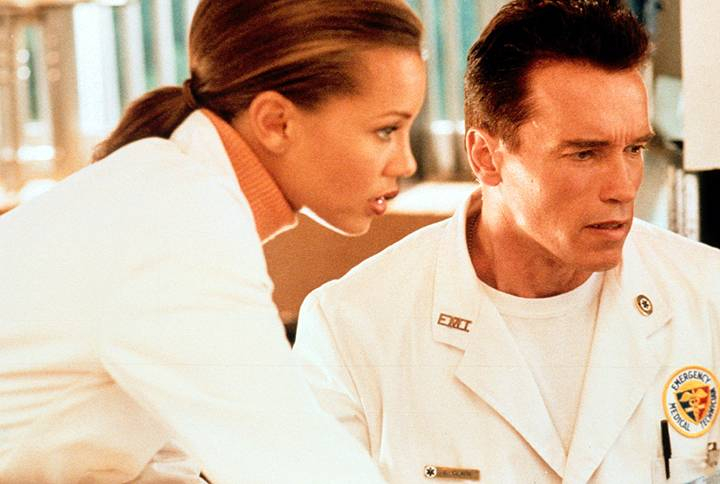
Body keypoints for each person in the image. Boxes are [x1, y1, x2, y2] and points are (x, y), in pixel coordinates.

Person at [292, 0, 720, 482]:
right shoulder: (353, 328)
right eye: (584, 153)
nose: (623, 187)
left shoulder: (708, 296)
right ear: (485, 156)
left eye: (634, 149)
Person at [0, 1, 426, 482]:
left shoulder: (168, 186)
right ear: (276, 122)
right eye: (386, 130)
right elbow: (290, 461)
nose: (406, 163)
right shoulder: (177, 220)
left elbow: (168, 460)